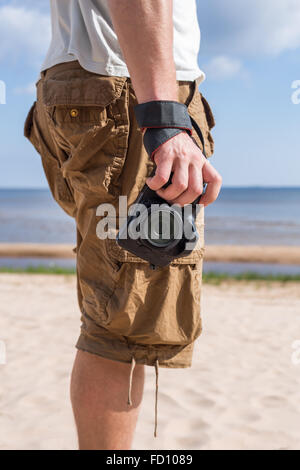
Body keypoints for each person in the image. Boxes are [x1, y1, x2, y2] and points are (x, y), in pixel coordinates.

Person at [24, 0, 222, 450]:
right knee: (122, 327)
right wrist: (165, 116)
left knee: (110, 307)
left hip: (85, 86)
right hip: (129, 92)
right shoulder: (147, 103)